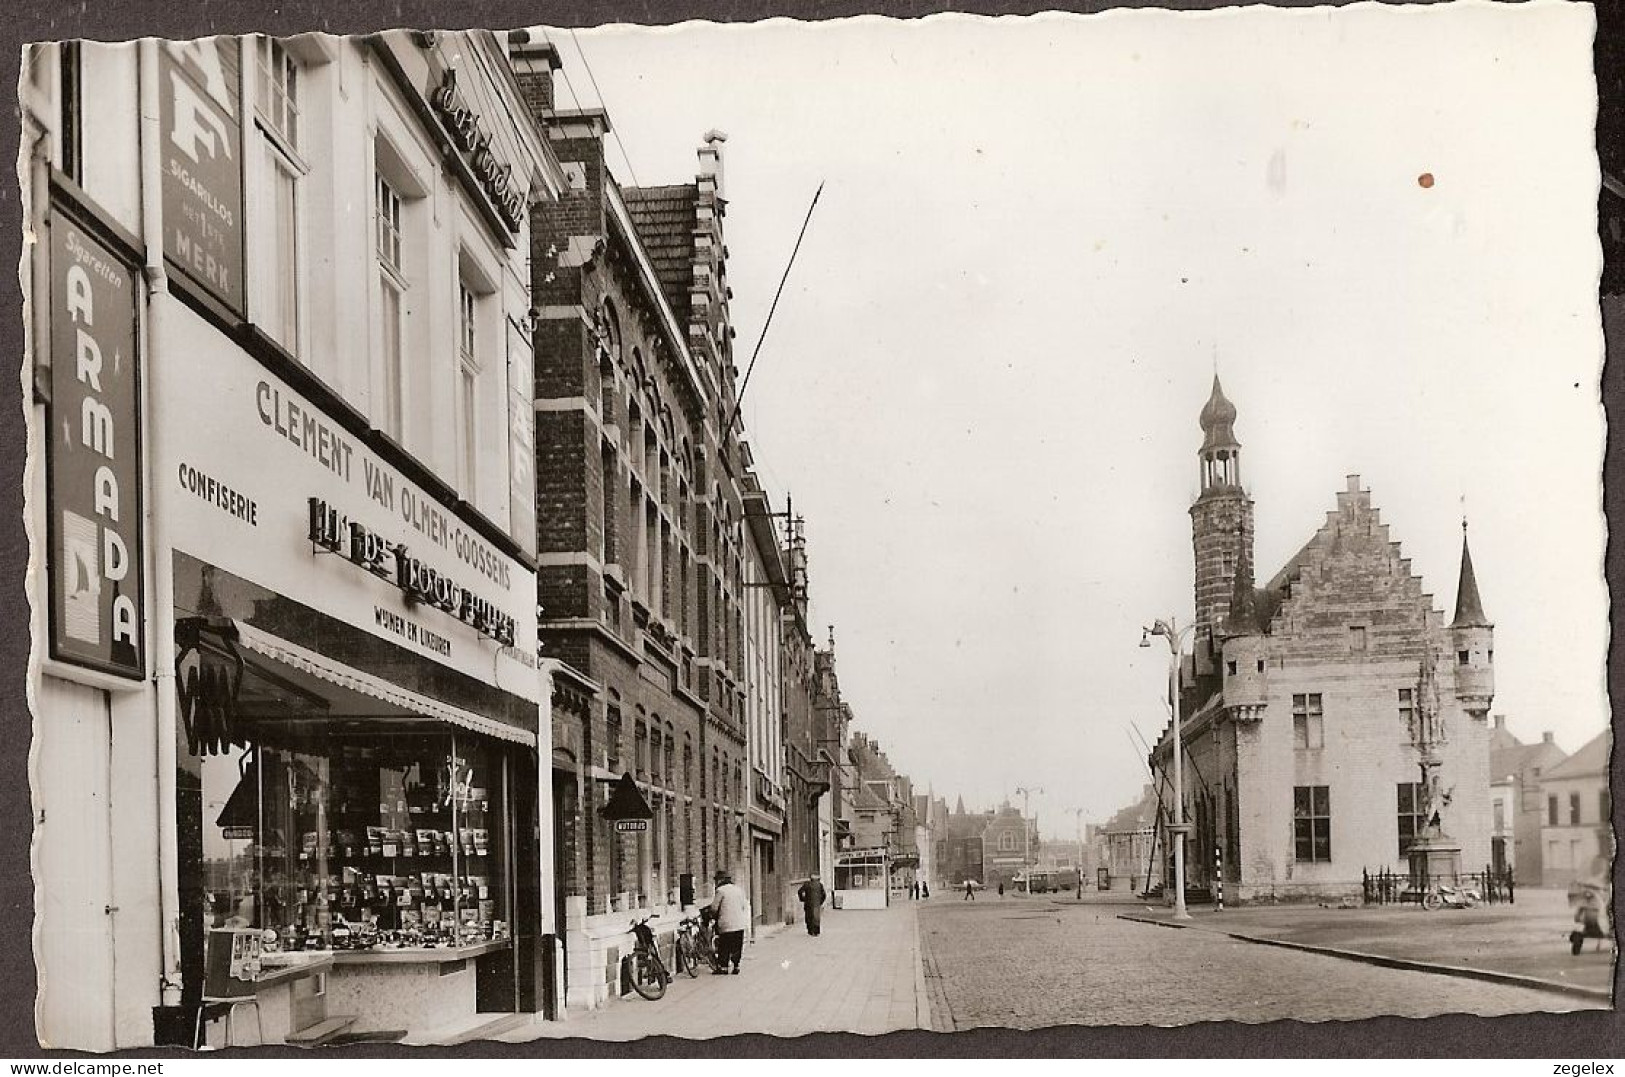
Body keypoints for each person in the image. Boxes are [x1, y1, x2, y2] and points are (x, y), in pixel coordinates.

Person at [709, 870, 750, 975]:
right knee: (737, 945)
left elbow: (714, 907)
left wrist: (713, 916)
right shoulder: (739, 890)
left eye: (717, 880)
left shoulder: (720, 891)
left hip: (726, 923)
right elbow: (743, 905)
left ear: (721, 880)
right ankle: (736, 966)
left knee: (725, 945)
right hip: (739, 923)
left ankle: (724, 967)